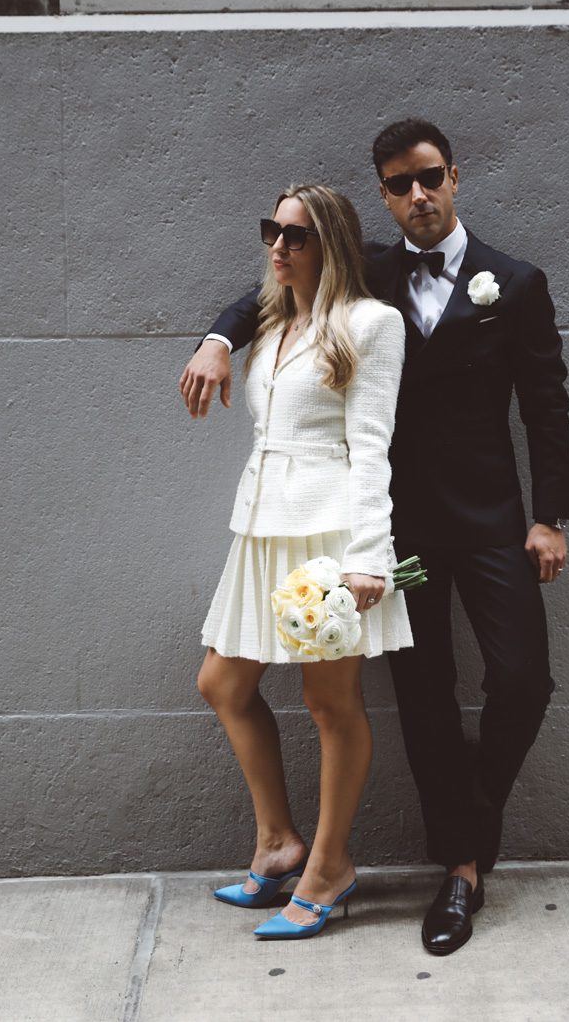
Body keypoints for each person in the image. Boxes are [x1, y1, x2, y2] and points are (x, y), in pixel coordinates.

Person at [180, 120, 569, 956]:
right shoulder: (368, 278)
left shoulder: (515, 281)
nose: (417, 195)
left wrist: (549, 515)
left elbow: (545, 404)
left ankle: (472, 812)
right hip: (405, 533)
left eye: (429, 178)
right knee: (423, 700)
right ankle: (460, 869)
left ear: (455, 177)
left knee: (523, 678)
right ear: (385, 196)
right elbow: (267, 297)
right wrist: (217, 337)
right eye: (399, 185)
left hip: (491, 521)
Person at [192, 182, 411, 941]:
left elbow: (372, 449)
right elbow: (235, 322)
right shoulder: (274, 317)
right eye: (271, 233)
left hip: (327, 533)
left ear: (333, 244)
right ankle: (278, 839)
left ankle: (328, 866)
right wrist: (218, 341)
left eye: (296, 236)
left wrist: (368, 558)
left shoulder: (372, 324)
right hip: (260, 530)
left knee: (330, 706)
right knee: (221, 682)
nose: (278, 248)